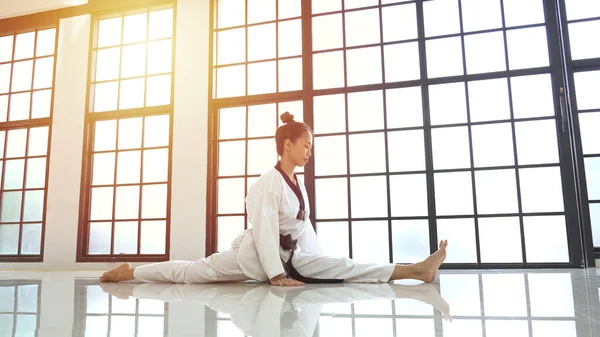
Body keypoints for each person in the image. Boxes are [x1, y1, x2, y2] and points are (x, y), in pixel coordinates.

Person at [100, 112, 448, 286]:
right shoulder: (270, 182)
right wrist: (274, 274)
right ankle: (131, 271)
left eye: (311, 146)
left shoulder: (296, 181)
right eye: (306, 145)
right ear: (288, 145)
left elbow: (302, 226)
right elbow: (265, 230)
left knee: (343, 265)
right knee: (191, 274)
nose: (310, 152)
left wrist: (316, 257)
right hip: (255, 256)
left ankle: (416, 270)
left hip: (294, 255)